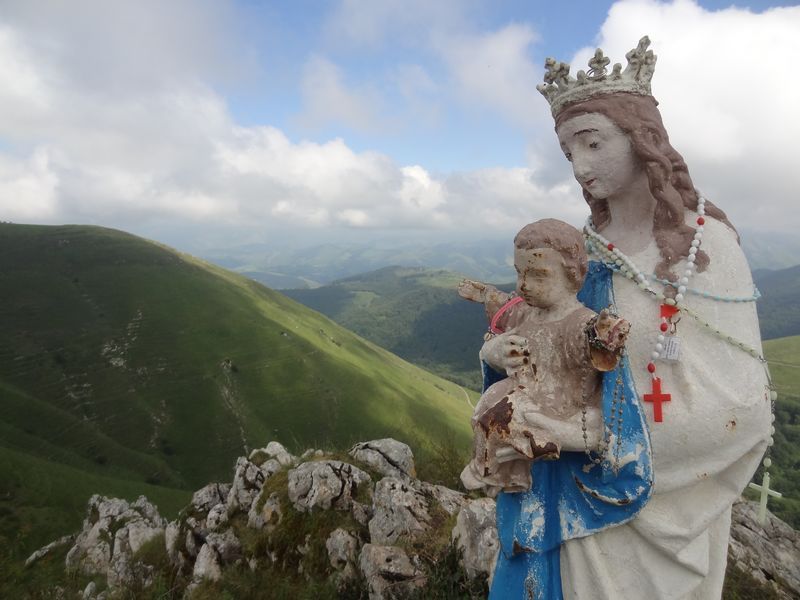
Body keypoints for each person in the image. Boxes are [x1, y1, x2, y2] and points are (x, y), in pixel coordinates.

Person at [479, 37, 772, 599]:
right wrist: (500, 358)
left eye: (592, 143)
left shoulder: (706, 250)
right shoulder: (587, 247)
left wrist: (588, 436)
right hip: (565, 486)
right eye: (569, 154)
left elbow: (744, 409)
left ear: (643, 141)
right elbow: (551, 339)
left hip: (657, 500)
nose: (580, 168)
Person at [458, 219, 630, 495]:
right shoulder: (527, 312)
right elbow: (506, 309)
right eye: (519, 273)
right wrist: (497, 346)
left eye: (538, 275)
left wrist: (604, 335)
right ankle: (492, 471)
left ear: (573, 275)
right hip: (525, 389)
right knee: (488, 405)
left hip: (561, 402)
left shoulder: (577, 322)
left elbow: (591, 339)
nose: (524, 285)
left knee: (508, 416)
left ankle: (520, 459)